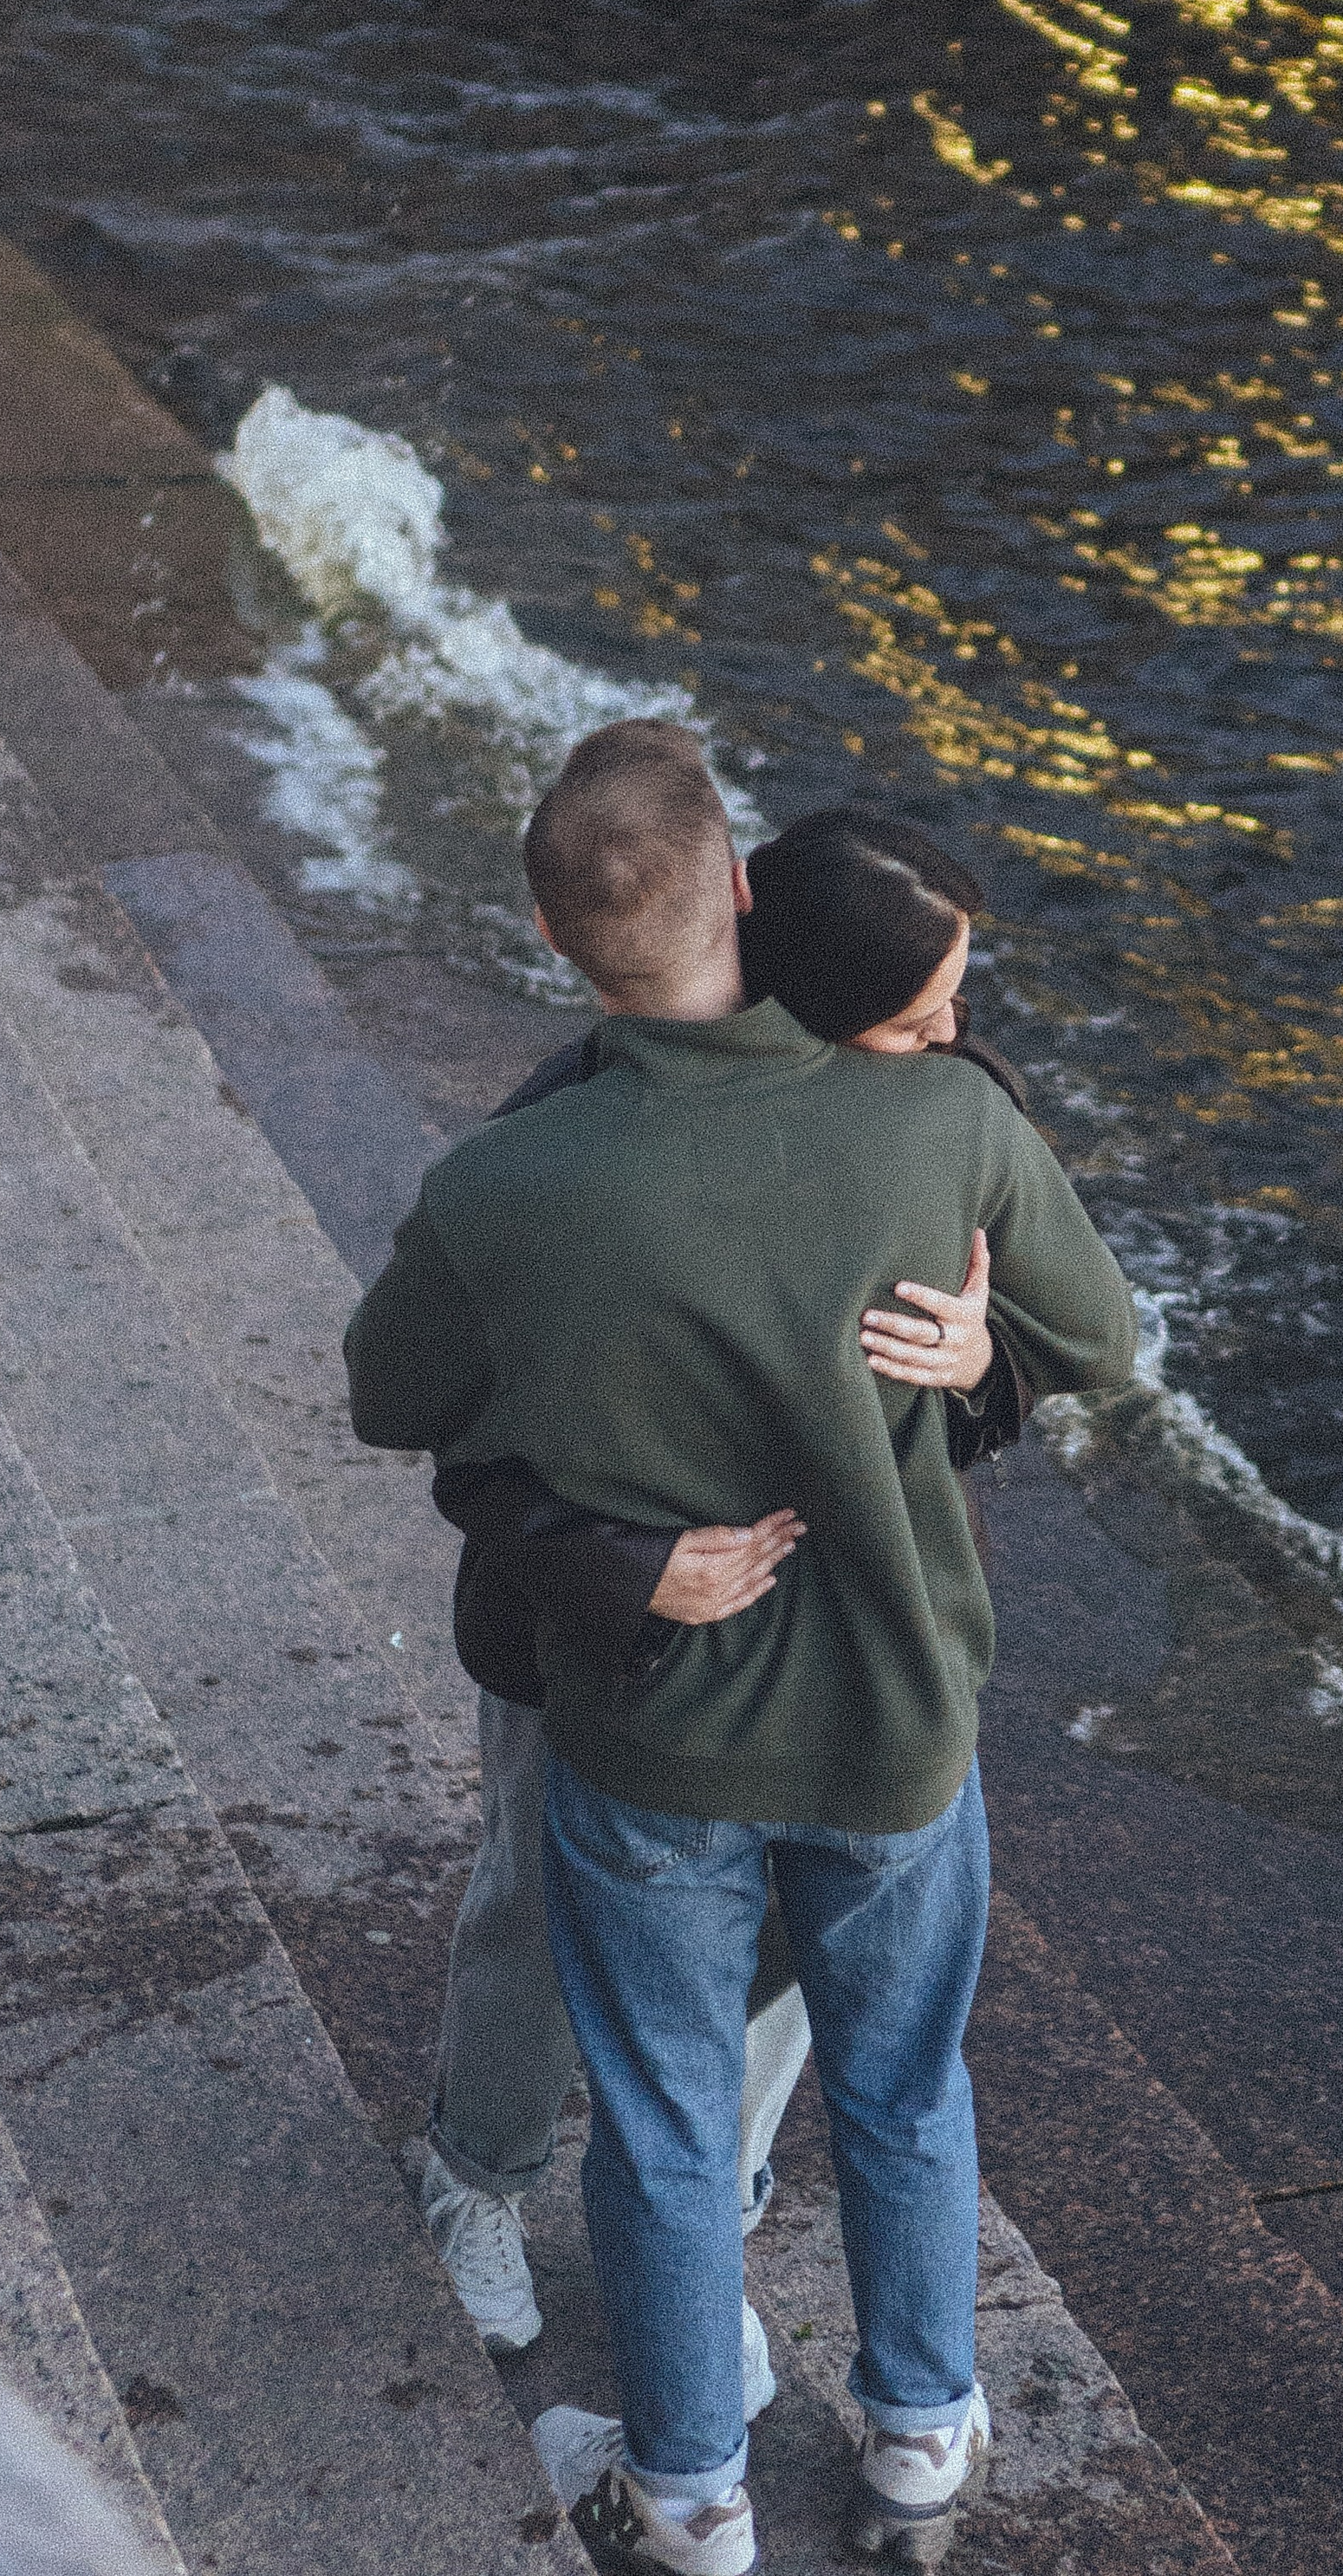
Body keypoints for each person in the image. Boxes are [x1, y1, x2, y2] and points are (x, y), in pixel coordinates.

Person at [346, 724, 1134, 2574]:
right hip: (892, 1727)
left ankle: (688, 2496)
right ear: (745, 887)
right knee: (903, 2089)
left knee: (667, 2125)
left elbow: (398, 1399)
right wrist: (985, 1352)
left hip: (655, 1737)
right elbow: (1100, 1337)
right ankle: (922, 2437)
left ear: (554, 938)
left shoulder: (509, 1182)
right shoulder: (946, 1123)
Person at [412, 810, 1038, 2381]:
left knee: (781, 1975)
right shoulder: (572, 1120)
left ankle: (703, 2228)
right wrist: (627, 1567)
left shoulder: (937, 1093)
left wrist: (983, 1362)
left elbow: (1032, 1300)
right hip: (611, 1637)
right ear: (750, 912)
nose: (948, 1037)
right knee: (533, 1905)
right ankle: (478, 2176)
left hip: (844, 1626)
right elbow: (453, 1414)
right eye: (919, 1017)